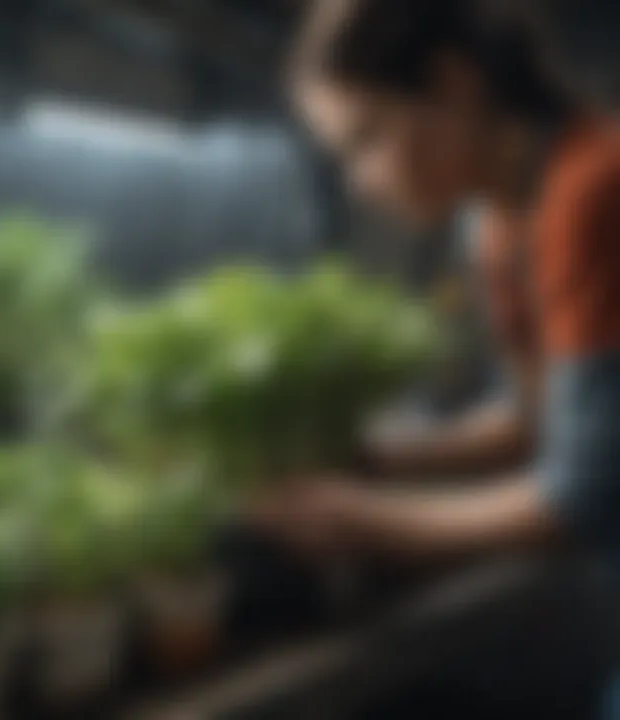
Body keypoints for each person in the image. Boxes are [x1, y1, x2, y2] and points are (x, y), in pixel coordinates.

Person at [249, 0, 620, 714]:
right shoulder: (498, 224)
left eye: (368, 138)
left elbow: (584, 496)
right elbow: (536, 419)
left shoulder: (593, 188)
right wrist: (382, 460)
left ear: (454, 84)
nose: (360, 180)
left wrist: (362, 519)